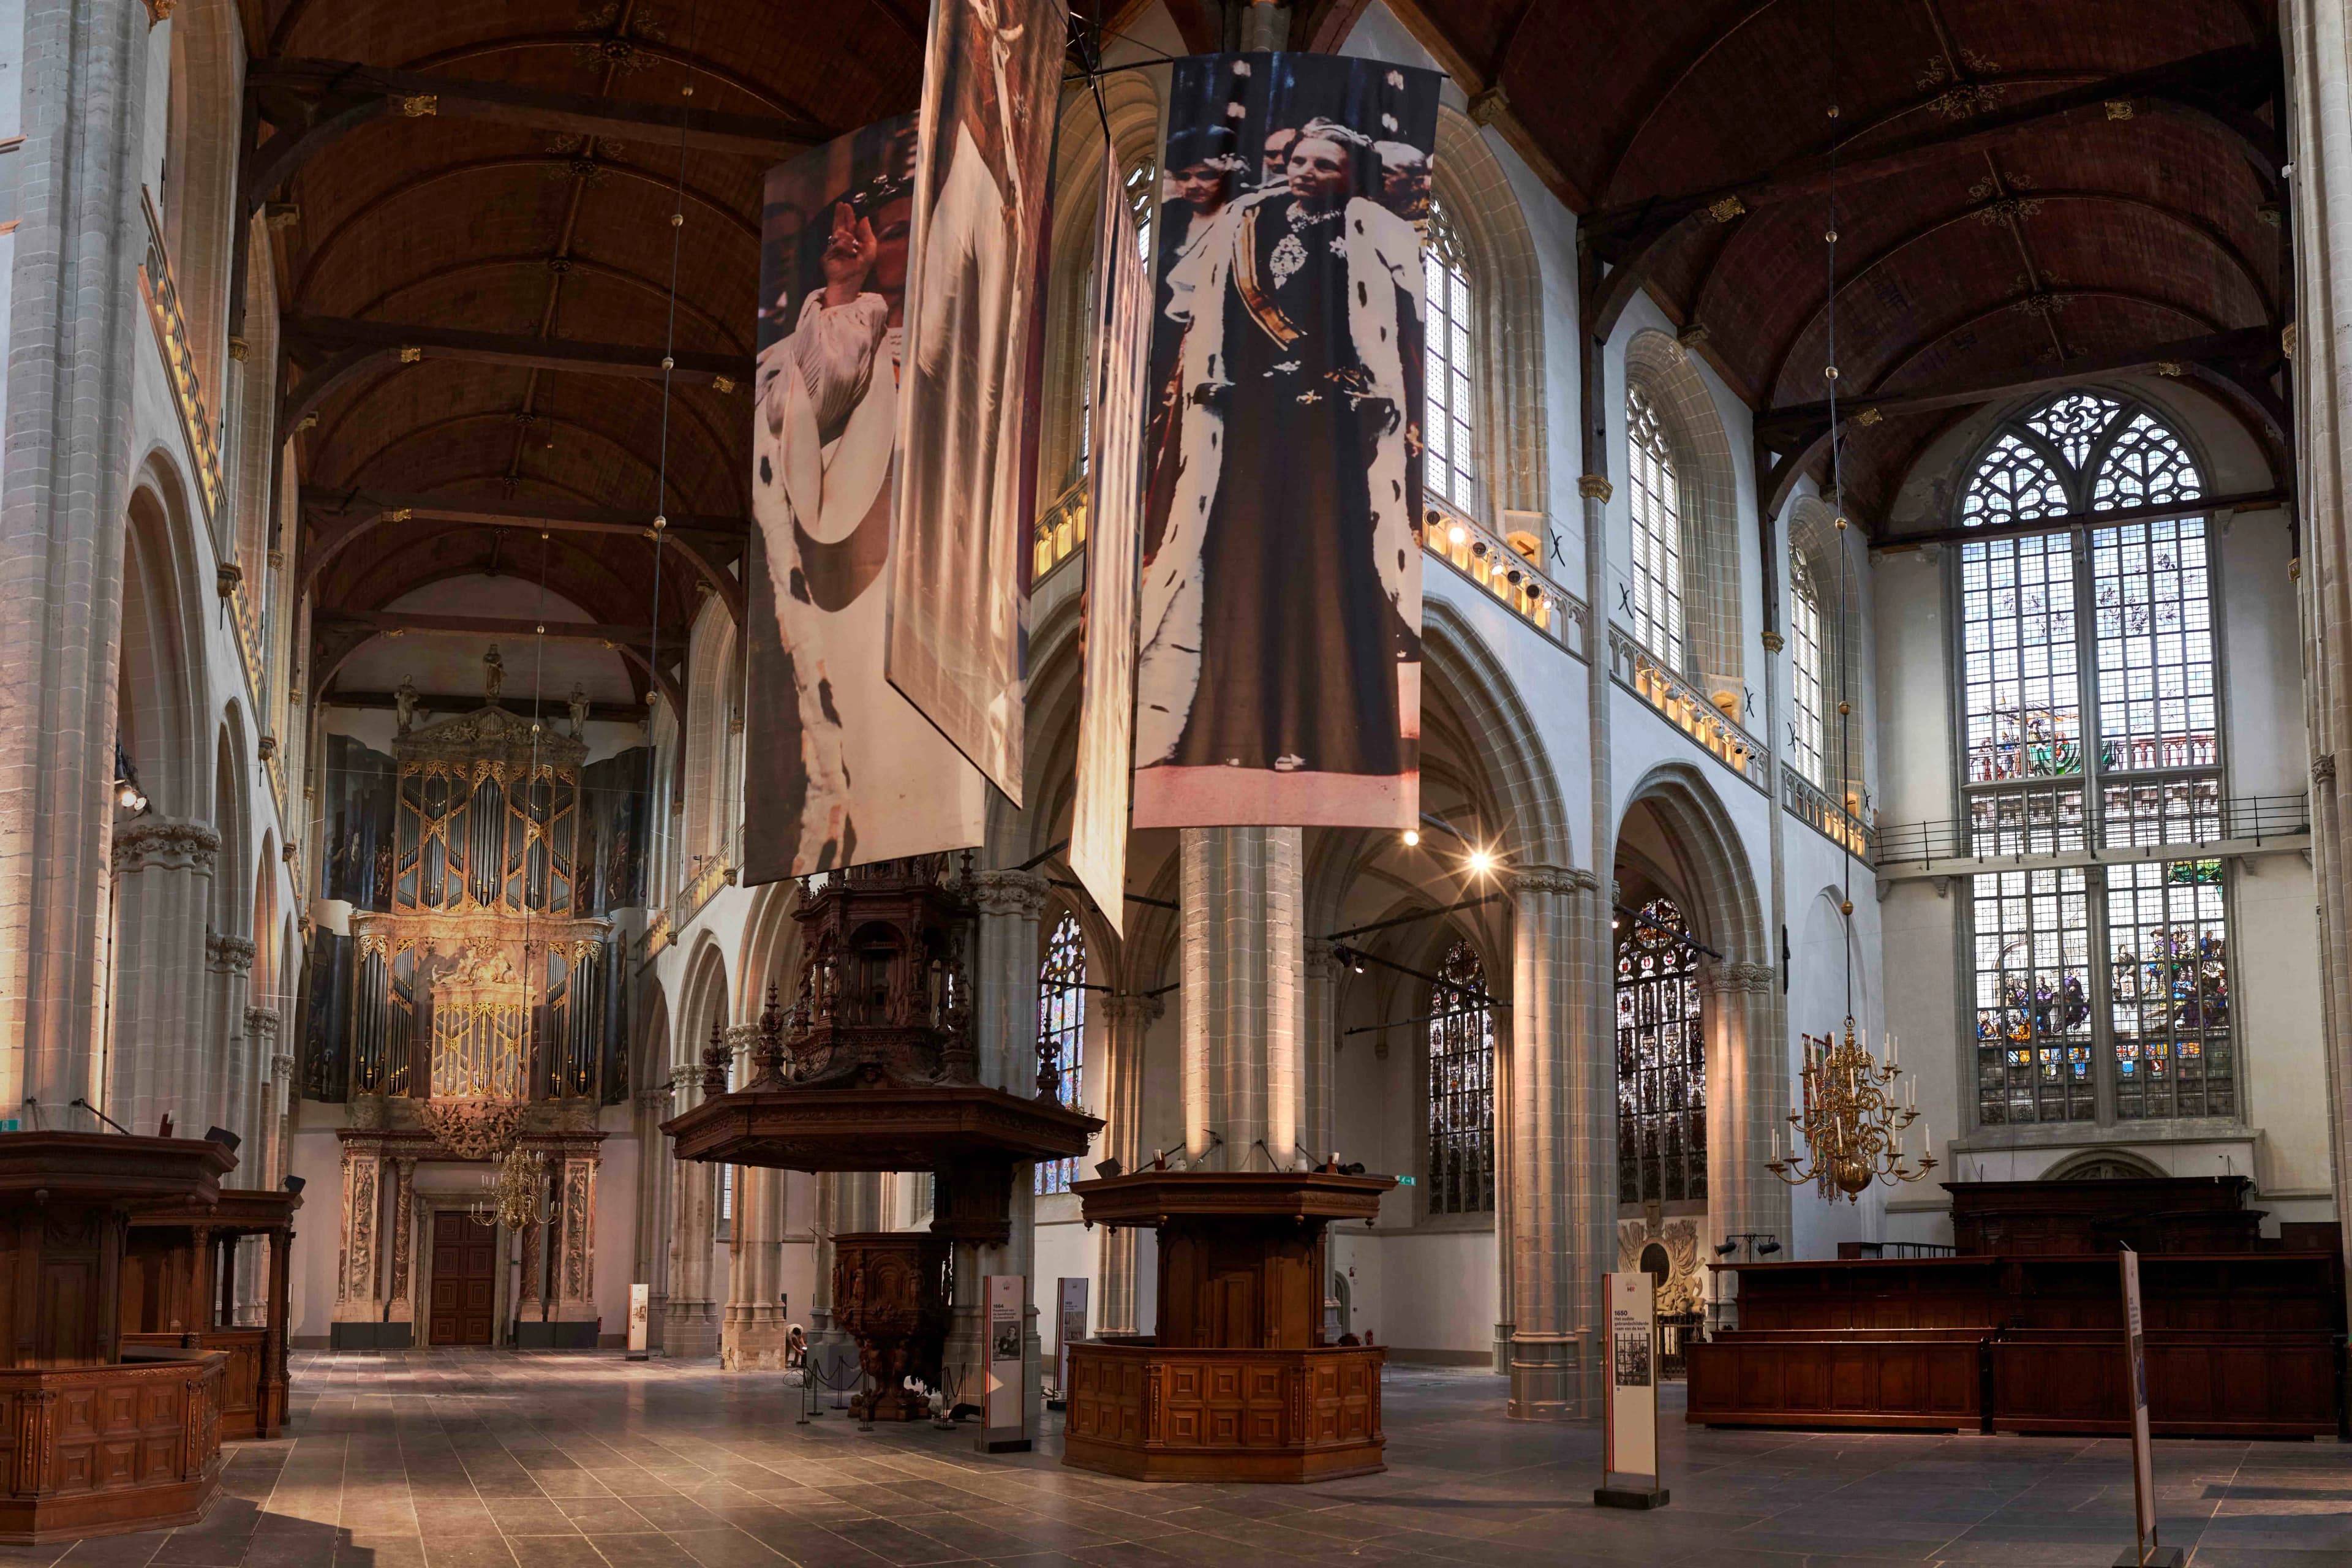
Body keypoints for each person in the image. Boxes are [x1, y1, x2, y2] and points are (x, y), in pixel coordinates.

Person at [1135, 116, 1427, 813]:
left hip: (1327, 439)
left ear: (1347, 174)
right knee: (1239, 569)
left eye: (1323, 165)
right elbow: (1191, 305)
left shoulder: (1369, 231)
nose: (1304, 172)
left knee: (1322, 571)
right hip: (1246, 430)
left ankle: (1336, 731)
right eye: (1300, 159)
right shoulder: (1244, 221)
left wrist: (1371, 390)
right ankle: (1228, 723)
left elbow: (1402, 329)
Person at [750, 131, 918, 873]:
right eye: (838, 228)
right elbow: (807, 408)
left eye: (869, 225)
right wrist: (846, 295)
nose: (852, 237)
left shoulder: (909, 340)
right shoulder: (815, 348)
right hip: (831, 565)